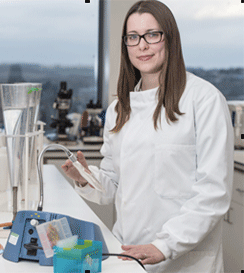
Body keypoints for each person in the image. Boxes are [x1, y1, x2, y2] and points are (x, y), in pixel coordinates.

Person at [62, 1, 234, 272]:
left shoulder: (205, 100)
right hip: (130, 253)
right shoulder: (119, 110)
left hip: (186, 259)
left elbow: (214, 192)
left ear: (170, 38)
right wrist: (86, 178)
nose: (142, 45)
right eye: (133, 37)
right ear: (126, 44)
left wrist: (164, 245)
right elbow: (115, 186)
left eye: (152, 35)